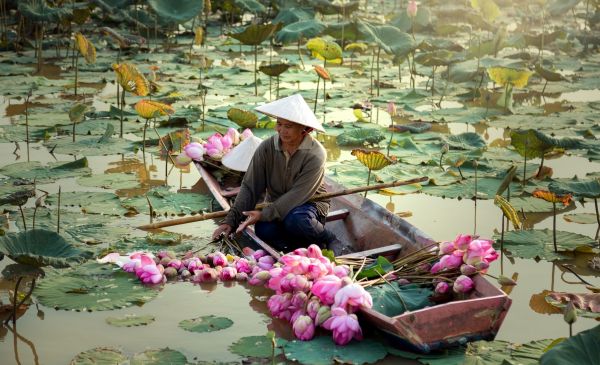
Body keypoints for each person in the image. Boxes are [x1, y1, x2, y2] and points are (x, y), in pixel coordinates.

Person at [211, 94, 342, 253]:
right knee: (264, 230)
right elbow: (250, 187)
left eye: (288, 126)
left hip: (308, 203)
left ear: (306, 130)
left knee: (296, 220)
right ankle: (295, 251)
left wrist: (263, 213)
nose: (282, 130)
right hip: (275, 203)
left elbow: (297, 195)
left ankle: (328, 238)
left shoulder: (316, 154)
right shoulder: (266, 148)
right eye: (279, 124)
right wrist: (230, 221)